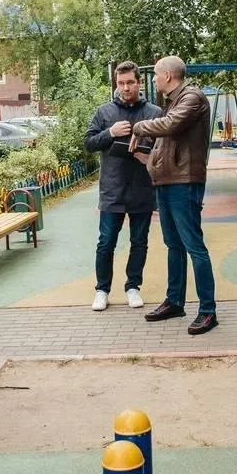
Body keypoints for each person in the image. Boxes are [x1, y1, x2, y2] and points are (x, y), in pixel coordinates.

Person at [128, 56, 217, 335]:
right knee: (173, 245)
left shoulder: (192, 98)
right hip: (167, 182)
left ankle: (208, 311)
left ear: (167, 75)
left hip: (184, 182)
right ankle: (175, 301)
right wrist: (149, 160)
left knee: (194, 246)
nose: (153, 79)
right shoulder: (174, 101)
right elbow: (167, 140)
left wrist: (139, 127)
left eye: (155, 74)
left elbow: (170, 126)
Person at [83, 61, 162, 311]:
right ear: (115, 84)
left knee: (139, 241)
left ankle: (133, 287)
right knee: (106, 242)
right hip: (112, 189)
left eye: (130, 82)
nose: (125, 88)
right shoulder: (104, 112)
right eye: (121, 83)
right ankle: (102, 290)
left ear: (139, 83)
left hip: (142, 188)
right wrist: (110, 133)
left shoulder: (154, 112)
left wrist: (148, 156)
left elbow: (165, 148)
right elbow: (88, 143)